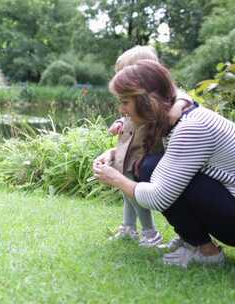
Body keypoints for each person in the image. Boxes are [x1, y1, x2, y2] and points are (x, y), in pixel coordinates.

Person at [93, 59, 235, 267]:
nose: (121, 109)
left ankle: (207, 253)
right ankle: (195, 244)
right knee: (151, 165)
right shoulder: (179, 115)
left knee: (151, 169)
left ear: (146, 100)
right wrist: (114, 153)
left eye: (125, 101)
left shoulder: (190, 128)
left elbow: (159, 198)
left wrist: (116, 179)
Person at [103, 46, 191, 247]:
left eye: (125, 73)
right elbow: (128, 115)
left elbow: (183, 96)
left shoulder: (159, 96)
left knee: (132, 190)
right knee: (126, 190)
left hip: (145, 154)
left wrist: (178, 107)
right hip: (128, 152)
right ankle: (128, 227)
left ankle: (150, 232)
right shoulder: (136, 100)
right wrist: (119, 122)